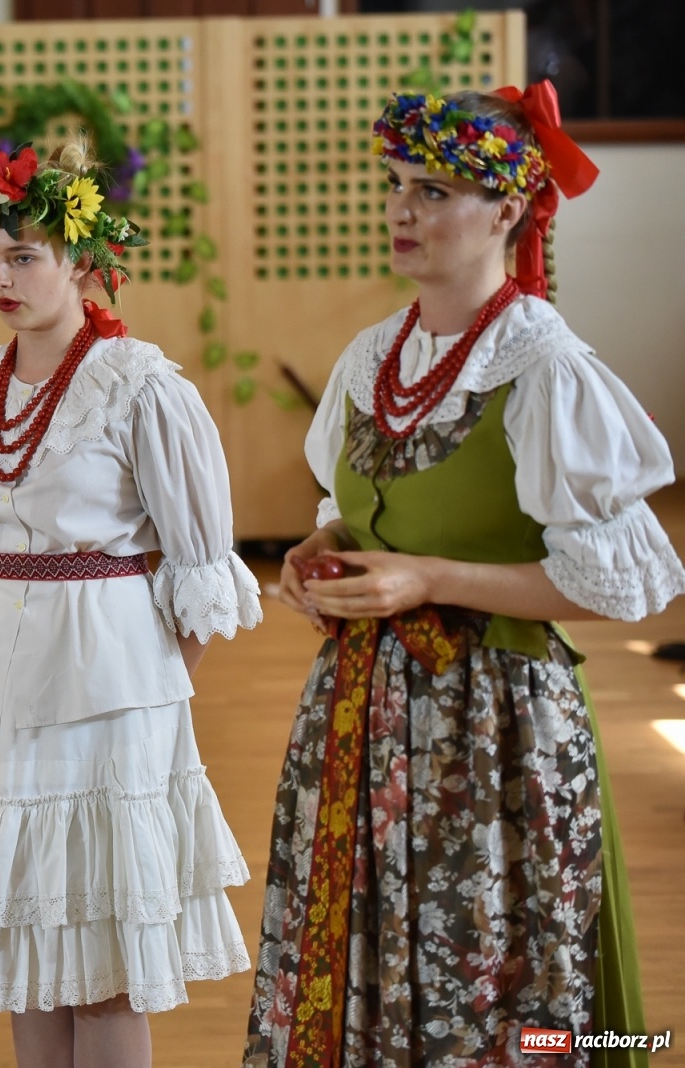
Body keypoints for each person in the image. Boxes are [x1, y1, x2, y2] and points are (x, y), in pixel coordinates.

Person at [244, 84, 683, 1067]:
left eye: (433, 189)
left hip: (495, 724)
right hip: (362, 714)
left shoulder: (544, 369)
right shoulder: (371, 358)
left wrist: (425, 578)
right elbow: (348, 501)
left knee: (489, 974)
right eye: (395, 185)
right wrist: (323, 550)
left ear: (510, 210)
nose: (401, 209)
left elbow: (611, 588)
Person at [0, 140, 261, 1068]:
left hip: (109, 695)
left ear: (81, 262)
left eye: (24, 256)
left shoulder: (141, 388)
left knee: (100, 966)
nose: (1, 278)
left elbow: (199, 568)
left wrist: (147, 701)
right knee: (27, 949)